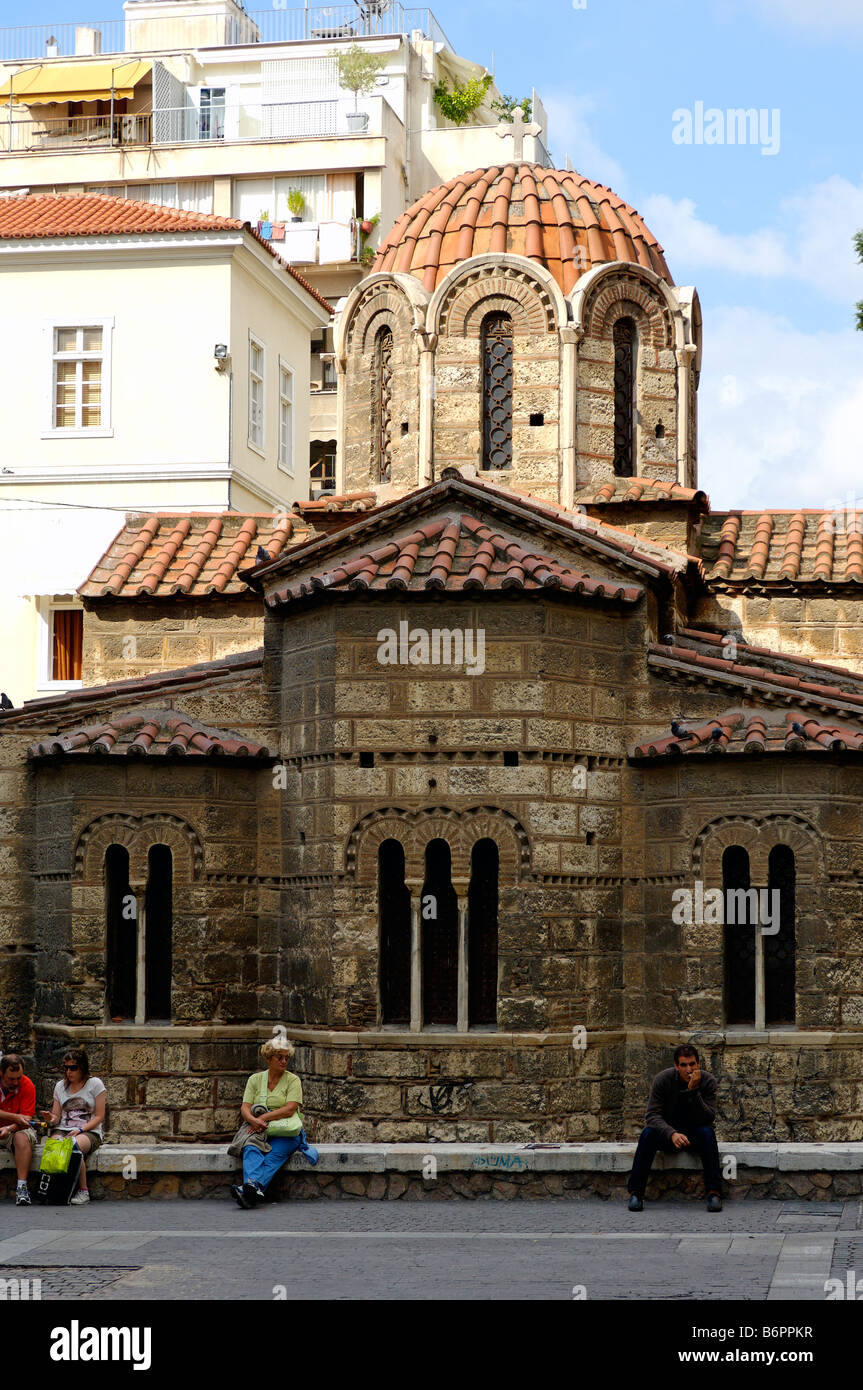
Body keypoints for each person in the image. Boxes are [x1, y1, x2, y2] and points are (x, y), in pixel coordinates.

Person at [627, 1044, 723, 1212]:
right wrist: (671, 1134)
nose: (688, 1069)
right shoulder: (663, 1080)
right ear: (676, 1066)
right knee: (648, 1134)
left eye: (692, 1064)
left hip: (694, 1133)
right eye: (684, 1065)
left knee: (708, 1134)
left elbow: (709, 1117)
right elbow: (651, 1115)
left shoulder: (707, 1081)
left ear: (698, 1064)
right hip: (668, 1134)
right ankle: (636, 1193)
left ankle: (714, 1192)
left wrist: (694, 1091)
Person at [232, 1038, 319, 1209]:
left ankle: (248, 1188)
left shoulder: (293, 1080)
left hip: (286, 1131)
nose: (284, 1061)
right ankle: (251, 1191)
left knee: (273, 1157)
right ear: (269, 1058)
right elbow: (245, 1107)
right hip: (258, 1128)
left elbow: (290, 1109)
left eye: (287, 1058)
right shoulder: (255, 1080)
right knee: (250, 1147)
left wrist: (263, 1118)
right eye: (280, 1057)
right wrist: (253, 1120)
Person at [40, 1046, 106, 1206]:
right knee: (54, 1146)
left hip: (88, 1130)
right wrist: (50, 1118)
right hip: (63, 1128)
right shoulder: (60, 1086)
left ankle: (83, 1191)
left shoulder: (94, 1084)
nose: (69, 1072)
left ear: (82, 1068)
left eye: (73, 1068)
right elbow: (56, 1118)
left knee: (73, 1146)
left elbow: (99, 1116)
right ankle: (53, 1190)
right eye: (66, 1068)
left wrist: (81, 1129)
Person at [0, 1053, 38, 1206]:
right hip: (11, 1123)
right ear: (1, 1073)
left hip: (15, 1129)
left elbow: (26, 1118)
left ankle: (22, 1187)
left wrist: (9, 1128)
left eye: (18, 1078)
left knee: (22, 1138)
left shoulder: (27, 1084)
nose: (16, 1082)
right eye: (11, 1079)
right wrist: (15, 1117)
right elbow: (19, 1117)